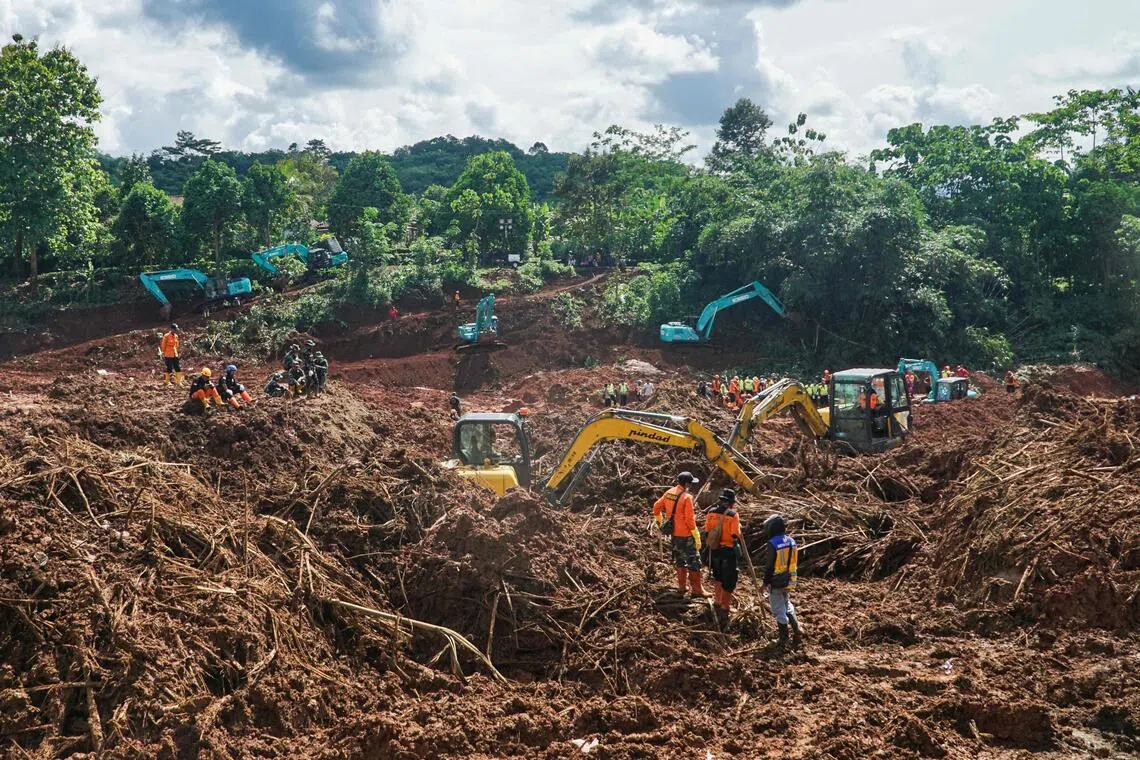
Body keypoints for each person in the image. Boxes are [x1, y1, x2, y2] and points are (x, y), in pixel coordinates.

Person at [653, 472, 707, 597]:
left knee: (680, 560)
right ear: (687, 484)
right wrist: (695, 534)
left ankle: (682, 587)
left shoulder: (669, 492)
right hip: (686, 534)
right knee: (694, 561)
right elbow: (689, 519)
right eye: (691, 484)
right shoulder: (687, 497)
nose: (691, 486)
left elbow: (656, 507)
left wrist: (659, 520)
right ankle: (697, 590)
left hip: (674, 534)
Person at [762, 513, 802, 647]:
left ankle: (783, 638)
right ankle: (797, 629)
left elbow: (769, 566)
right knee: (787, 604)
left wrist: (765, 583)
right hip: (790, 579)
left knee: (778, 609)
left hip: (776, 580)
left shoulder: (773, 543)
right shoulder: (791, 541)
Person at [704, 488, 743, 621]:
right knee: (729, 579)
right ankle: (725, 606)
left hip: (714, 550)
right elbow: (735, 535)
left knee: (718, 575)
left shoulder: (711, 512)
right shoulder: (733, 515)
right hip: (728, 551)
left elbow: (707, 530)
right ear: (731, 502)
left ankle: (717, 601)